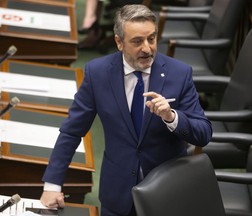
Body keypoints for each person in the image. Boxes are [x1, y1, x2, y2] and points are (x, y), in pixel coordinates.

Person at [40, 4, 212, 216]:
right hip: (117, 191)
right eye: (137, 41)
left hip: (166, 194)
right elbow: (72, 130)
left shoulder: (179, 73)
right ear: (119, 42)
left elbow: (203, 134)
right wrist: (52, 184)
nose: (147, 48)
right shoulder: (98, 73)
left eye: (151, 38)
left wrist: (172, 117)